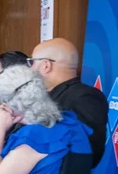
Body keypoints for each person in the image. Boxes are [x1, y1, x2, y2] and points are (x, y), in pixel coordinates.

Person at [30, 38, 109, 167]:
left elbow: (89, 152)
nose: (30, 68)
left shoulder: (85, 97)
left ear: (46, 65)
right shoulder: (45, 95)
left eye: (32, 62)